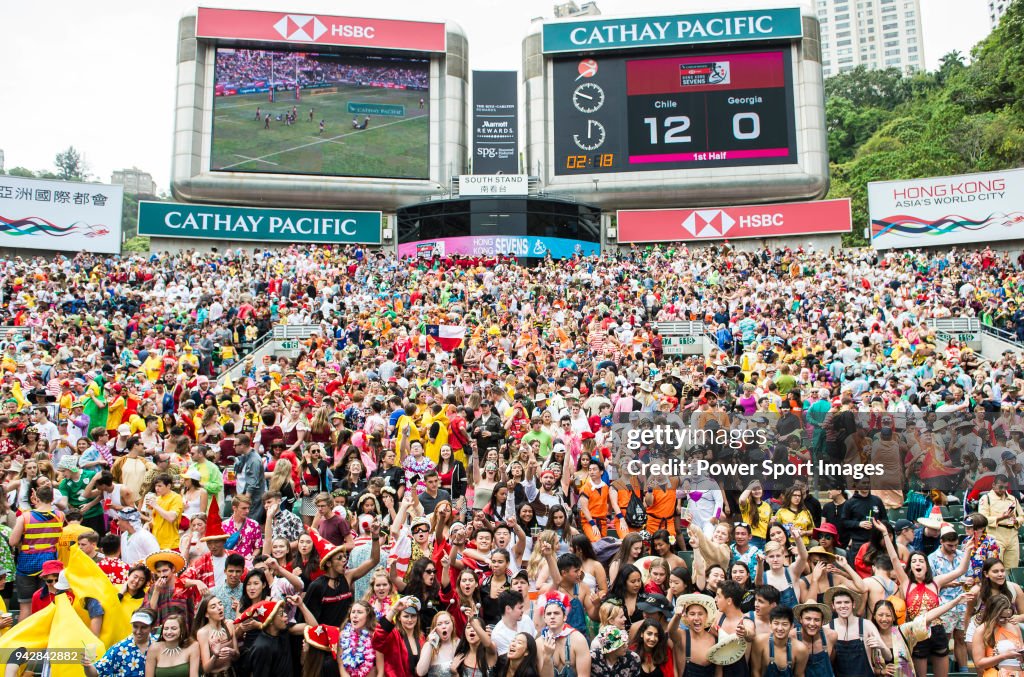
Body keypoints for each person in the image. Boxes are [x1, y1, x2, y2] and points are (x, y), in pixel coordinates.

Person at [84, 608, 158, 677]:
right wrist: (87, 666)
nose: (138, 631)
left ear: (152, 627)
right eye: (135, 626)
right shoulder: (120, 648)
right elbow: (96, 672)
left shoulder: (159, 644)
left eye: (143, 627)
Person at [749, 606, 808, 677]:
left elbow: (799, 675)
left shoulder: (800, 649)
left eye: (784, 624)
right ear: (770, 624)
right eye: (776, 623)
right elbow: (755, 671)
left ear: (792, 626)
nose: (780, 628)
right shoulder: (759, 642)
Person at [492, 590, 536, 656]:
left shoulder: (526, 619)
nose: (522, 611)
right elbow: (510, 660)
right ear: (508, 609)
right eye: (520, 608)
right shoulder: (498, 635)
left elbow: (535, 640)